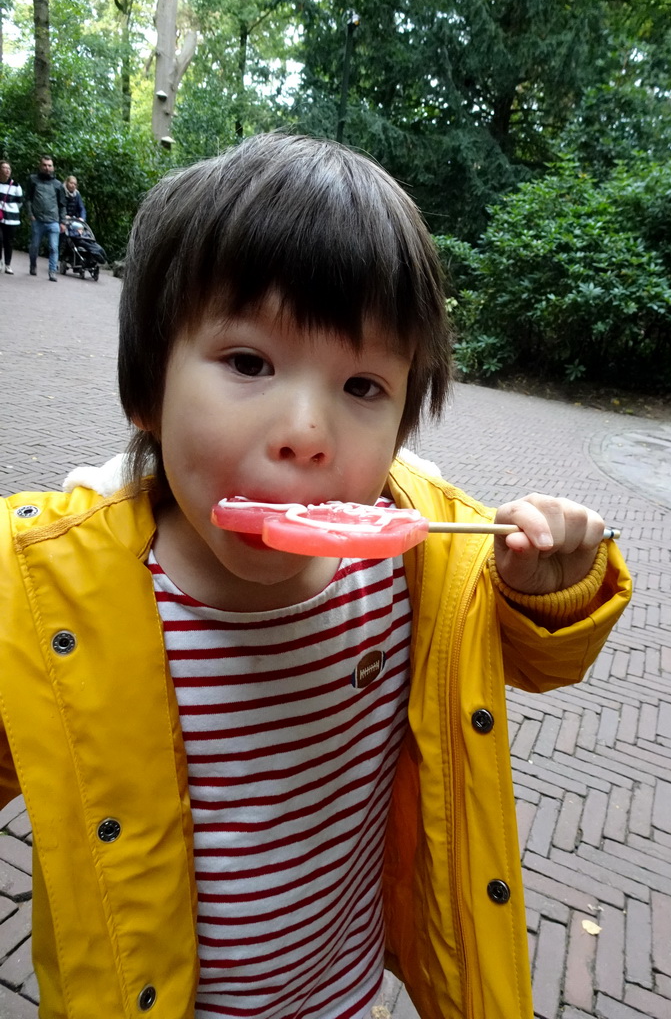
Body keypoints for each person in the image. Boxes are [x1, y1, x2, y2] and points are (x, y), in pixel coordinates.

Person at [0, 133, 632, 1019]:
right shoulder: (48, 594)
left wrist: (548, 587)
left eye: (363, 386)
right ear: (146, 387)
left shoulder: (420, 561)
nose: (307, 429)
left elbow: (538, 657)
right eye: (249, 364)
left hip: (345, 991)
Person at [26, 153, 66, 281]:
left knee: (54, 247)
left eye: (49, 165)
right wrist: (30, 215)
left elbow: (62, 205)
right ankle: (33, 265)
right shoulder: (33, 180)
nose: (47, 168)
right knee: (34, 246)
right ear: (40, 166)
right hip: (37, 220)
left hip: (53, 221)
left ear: (53, 167)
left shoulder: (58, 184)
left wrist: (63, 221)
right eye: (44, 165)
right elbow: (28, 199)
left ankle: (52, 271)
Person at [0, 160, 23, 274]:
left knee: (9, 241)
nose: (7, 170)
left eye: (8, 168)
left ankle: (8, 264)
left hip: (11, 218)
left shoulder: (16, 185)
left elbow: (20, 202)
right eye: (4, 168)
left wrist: (10, 208)